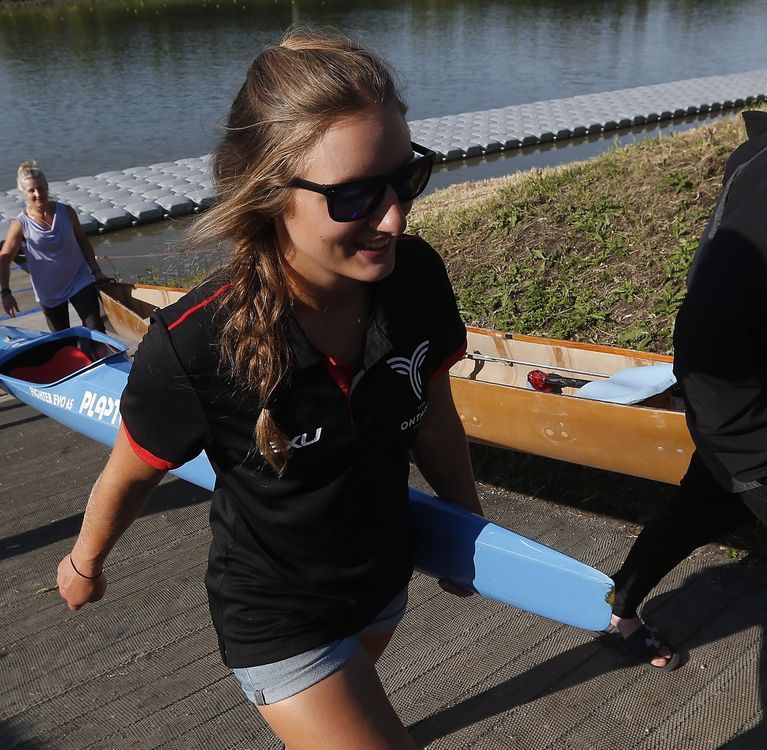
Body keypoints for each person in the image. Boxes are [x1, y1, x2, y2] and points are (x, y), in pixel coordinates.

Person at [56, 30, 481, 748]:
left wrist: (468, 532)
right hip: (277, 616)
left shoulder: (415, 278)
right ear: (268, 191)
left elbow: (436, 423)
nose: (395, 218)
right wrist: (84, 563)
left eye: (406, 177)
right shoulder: (194, 342)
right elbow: (131, 472)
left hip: (382, 583)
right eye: (353, 195)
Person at [602, 91, 767, 671]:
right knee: (713, 493)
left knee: (700, 509)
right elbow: (710, 331)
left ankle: (618, 607)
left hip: (758, 421)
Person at [0, 161, 111, 332]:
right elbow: (4, 260)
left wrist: (96, 271)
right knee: (63, 342)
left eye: (41, 188)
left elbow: (83, 242)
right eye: (31, 190)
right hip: (49, 290)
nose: (37, 194)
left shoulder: (66, 212)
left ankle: (101, 355)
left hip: (78, 279)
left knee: (95, 327)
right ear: (23, 193)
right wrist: (6, 293)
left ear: (47, 187)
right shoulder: (20, 224)